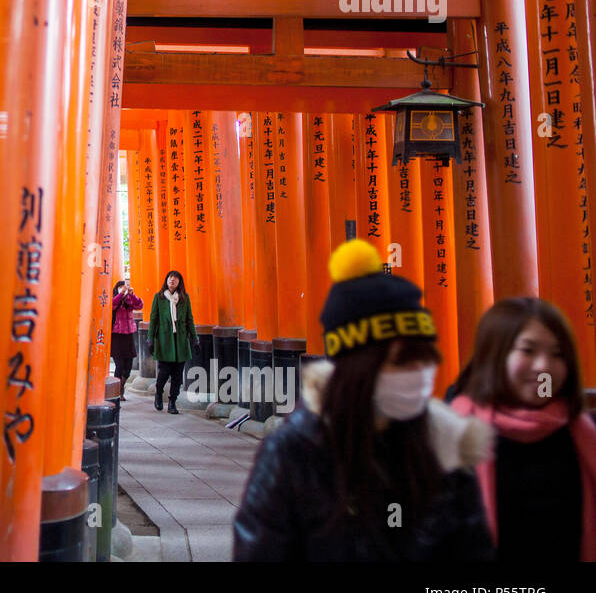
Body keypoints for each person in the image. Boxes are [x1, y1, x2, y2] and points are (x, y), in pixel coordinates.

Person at [233, 239, 496, 561]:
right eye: (401, 361)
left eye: (423, 358)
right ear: (358, 366)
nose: (418, 374)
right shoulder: (296, 454)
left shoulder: (447, 448)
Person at [449, 298, 596, 562]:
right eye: (528, 351)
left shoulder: (584, 432)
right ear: (495, 354)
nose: (543, 367)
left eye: (558, 354)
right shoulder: (451, 435)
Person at [148, 270, 194, 414]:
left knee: (178, 375)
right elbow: (153, 319)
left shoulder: (184, 298)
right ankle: (158, 393)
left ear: (180, 282)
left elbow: (189, 319)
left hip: (180, 340)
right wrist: (150, 338)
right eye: (170, 277)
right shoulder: (159, 297)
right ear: (166, 280)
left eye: (175, 278)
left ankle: (172, 402)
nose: (172, 280)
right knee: (164, 371)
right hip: (165, 340)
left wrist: (195, 337)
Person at [110, 280, 143, 401]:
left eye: (125, 286)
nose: (123, 288)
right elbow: (112, 305)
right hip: (117, 335)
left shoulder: (130, 299)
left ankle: (121, 387)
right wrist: (121, 294)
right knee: (119, 366)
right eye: (121, 287)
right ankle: (118, 392)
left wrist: (132, 295)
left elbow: (139, 305)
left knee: (128, 366)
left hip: (128, 334)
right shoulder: (114, 298)